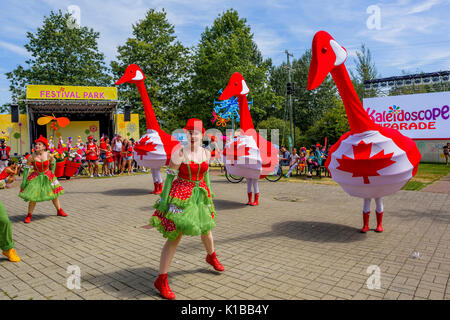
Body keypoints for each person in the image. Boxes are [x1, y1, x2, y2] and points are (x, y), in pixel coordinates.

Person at [150, 119, 223, 300]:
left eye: (196, 132)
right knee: (175, 235)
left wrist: (210, 197)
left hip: (200, 196)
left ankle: (211, 256)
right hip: (181, 196)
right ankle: (161, 279)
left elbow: (206, 177)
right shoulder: (179, 154)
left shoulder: (206, 153)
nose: (192, 136)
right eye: (189, 132)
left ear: (202, 135)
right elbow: (168, 180)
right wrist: (164, 202)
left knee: (206, 228)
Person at [19, 135, 68, 223]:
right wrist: (24, 181)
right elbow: (26, 169)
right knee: (33, 197)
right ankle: (29, 215)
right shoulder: (31, 157)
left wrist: (52, 172)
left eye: (39, 144)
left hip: (48, 176)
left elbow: (54, 162)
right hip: (36, 177)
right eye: (36, 144)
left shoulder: (48, 155)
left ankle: (59, 210)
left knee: (54, 195)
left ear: (44, 147)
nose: (37, 146)